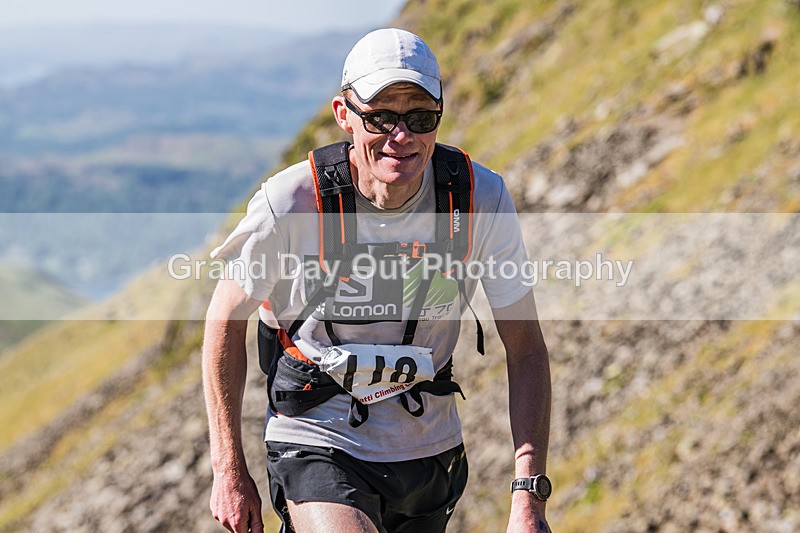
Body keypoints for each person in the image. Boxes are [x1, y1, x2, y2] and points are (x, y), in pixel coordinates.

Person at [202, 28, 551, 533]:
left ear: (439, 116)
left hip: (431, 450)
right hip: (317, 439)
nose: (401, 135)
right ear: (344, 114)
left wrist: (528, 496)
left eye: (419, 117)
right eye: (381, 116)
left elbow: (528, 350)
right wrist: (228, 469)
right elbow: (223, 319)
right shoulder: (292, 202)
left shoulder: (479, 198)